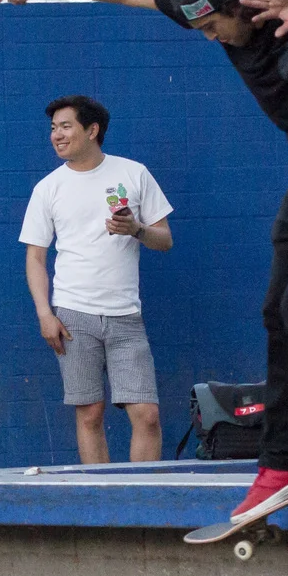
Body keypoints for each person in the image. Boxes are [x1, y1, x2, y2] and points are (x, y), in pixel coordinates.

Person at [3, 0, 288, 524]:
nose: (209, 39)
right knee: (279, 312)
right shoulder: (205, 8)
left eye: (212, 27)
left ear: (240, 3)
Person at [18, 94, 174, 462]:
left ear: (92, 130)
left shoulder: (133, 173)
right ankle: (105, 508)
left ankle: (144, 507)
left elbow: (164, 240)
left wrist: (135, 229)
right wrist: (45, 314)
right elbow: (35, 258)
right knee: (90, 414)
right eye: (53, 128)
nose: (56, 135)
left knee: (147, 416)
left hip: (125, 316)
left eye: (65, 126)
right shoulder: (48, 188)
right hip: (72, 316)